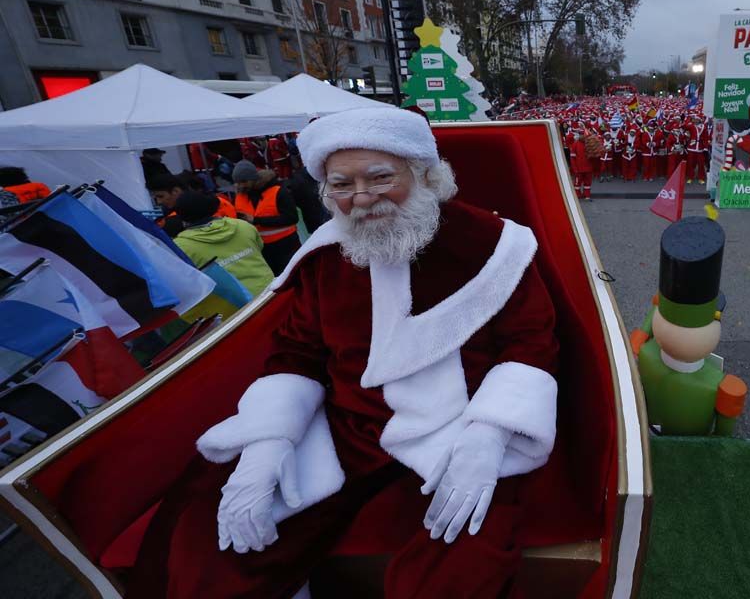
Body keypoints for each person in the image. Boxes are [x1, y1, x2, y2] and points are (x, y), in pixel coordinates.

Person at [127, 106, 558, 599]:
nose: (362, 198)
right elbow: (297, 352)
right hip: (348, 424)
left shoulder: (496, 245)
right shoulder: (325, 256)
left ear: (424, 174)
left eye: (380, 177)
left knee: (457, 574)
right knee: (211, 533)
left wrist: (489, 435)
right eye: (341, 184)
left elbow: (531, 344)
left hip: (461, 425)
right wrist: (269, 440)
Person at [171, 192, 274, 297]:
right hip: (270, 290)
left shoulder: (179, 246)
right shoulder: (243, 225)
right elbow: (259, 247)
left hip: (236, 304)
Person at [232, 162, 301, 275]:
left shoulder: (278, 191)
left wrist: (256, 220)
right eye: (238, 182)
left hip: (286, 246)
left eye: (244, 181)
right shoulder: (240, 196)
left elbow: (291, 218)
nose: (241, 185)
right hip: (260, 249)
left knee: (294, 276)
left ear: (253, 178)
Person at [150, 175, 236, 237]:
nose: (159, 201)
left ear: (176, 191)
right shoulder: (220, 201)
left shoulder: (173, 220)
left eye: (161, 196)